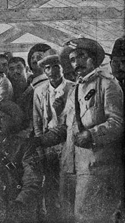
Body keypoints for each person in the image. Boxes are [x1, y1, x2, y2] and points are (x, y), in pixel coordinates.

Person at [33, 37, 124, 222]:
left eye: (82, 56)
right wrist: (40, 140)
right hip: (69, 167)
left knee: (89, 217)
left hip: (95, 168)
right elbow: (66, 127)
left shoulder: (107, 84)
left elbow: (116, 122)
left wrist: (91, 134)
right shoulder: (76, 89)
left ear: (93, 58)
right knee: (68, 216)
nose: (77, 63)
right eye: (73, 59)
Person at [0, 99, 43, 222]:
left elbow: (32, 180)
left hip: (17, 203)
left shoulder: (24, 146)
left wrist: (19, 202)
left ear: (11, 121)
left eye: (2, 118)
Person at [33, 49, 74, 222]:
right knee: (49, 182)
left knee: (66, 183)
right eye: (48, 67)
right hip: (48, 142)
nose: (53, 71)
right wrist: (40, 145)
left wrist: (61, 110)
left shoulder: (73, 88)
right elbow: (37, 121)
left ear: (62, 67)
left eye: (56, 66)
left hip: (67, 142)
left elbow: (74, 119)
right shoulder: (39, 91)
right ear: (44, 71)